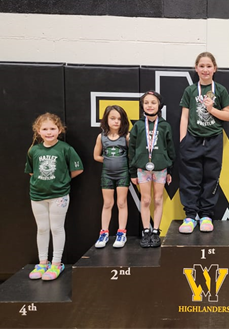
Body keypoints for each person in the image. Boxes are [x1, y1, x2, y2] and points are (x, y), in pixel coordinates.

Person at [178, 51, 229, 233]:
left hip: (213, 140)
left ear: (215, 69)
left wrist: (211, 109)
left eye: (209, 66)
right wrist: (183, 139)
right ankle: (190, 216)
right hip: (192, 140)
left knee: (210, 179)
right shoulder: (190, 90)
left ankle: (206, 215)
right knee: (190, 179)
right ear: (196, 68)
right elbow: (184, 116)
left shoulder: (221, 90)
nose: (205, 69)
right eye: (201, 66)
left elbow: (228, 115)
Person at [25, 112, 84, 280]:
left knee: (56, 228)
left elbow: (78, 169)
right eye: (45, 129)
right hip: (37, 196)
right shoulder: (34, 150)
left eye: (53, 128)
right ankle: (42, 263)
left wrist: (62, 180)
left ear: (60, 130)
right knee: (42, 228)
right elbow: (31, 171)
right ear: (38, 131)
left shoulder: (65, 149)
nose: (49, 132)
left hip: (59, 196)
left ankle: (56, 264)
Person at [129, 91, 175, 248]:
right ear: (142, 105)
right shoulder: (138, 125)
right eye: (146, 102)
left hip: (161, 168)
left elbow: (170, 149)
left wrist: (170, 170)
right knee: (146, 199)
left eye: (153, 102)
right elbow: (132, 149)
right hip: (142, 168)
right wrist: (132, 171)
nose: (149, 105)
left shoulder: (164, 126)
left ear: (159, 105)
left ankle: (156, 231)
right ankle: (146, 231)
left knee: (158, 199)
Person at [92, 105, 130, 249]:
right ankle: (104, 232)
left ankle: (121, 232)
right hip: (107, 174)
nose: (116, 121)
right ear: (106, 119)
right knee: (107, 204)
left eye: (119, 119)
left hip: (123, 174)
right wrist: (108, 159)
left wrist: (120, 160)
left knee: (122, 203)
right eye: (112, 118)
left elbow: (131, 155)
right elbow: (96, 156)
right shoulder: (101, 137)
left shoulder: (126, 136)